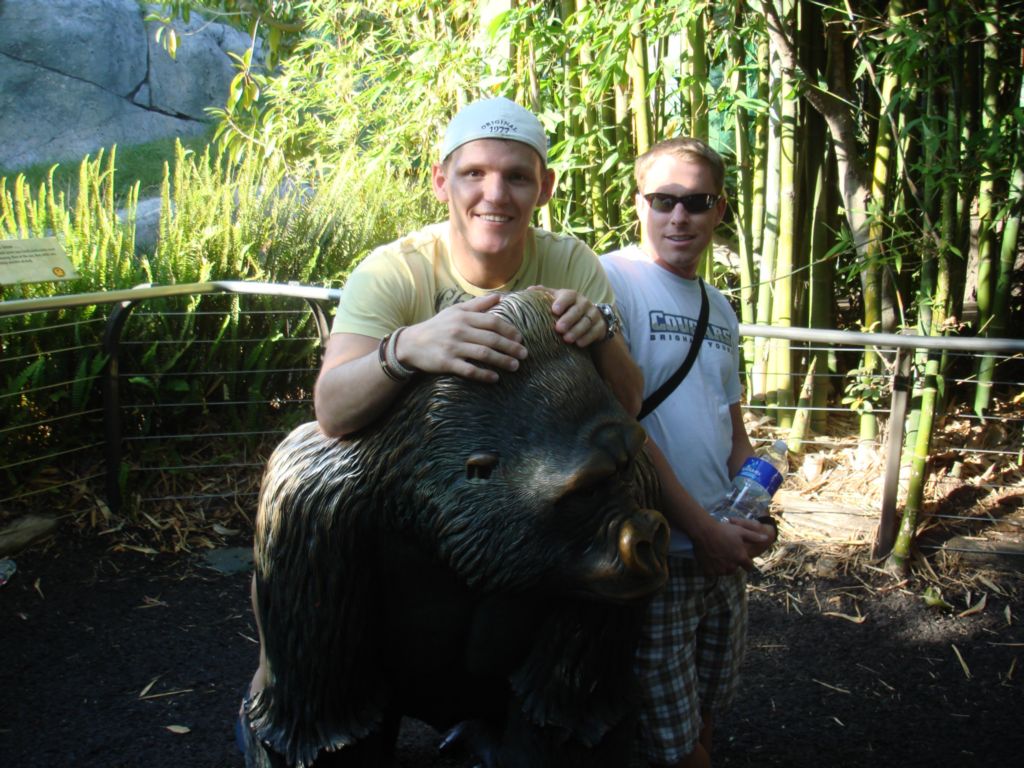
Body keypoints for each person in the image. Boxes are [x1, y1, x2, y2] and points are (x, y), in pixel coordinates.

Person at [237, 96, 643, 758]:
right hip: (399, 521)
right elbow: (330, 412)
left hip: (535, 504)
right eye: (474, 173)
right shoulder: (395, 270)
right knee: (305, 475)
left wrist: (600, 335)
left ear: (544, 187)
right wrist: (406, 349)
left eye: (516, 177)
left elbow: (627, 408)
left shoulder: (571, 264)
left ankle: (553, 715)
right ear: (441, 181)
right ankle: (298, 706)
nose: (495, 194)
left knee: (629, 475)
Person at [600, 137, 777, 768]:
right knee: (665, 739)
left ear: (719, 210)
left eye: (697, 202)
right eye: (664, 200)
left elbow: (733, 428)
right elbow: (620, 426)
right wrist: (702, 530)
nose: (680, 217)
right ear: (639, 203)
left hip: (718, 550)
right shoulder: (609, 281)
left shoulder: (720, 308)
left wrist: (752, 515)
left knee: (705, 709)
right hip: (650, 551)